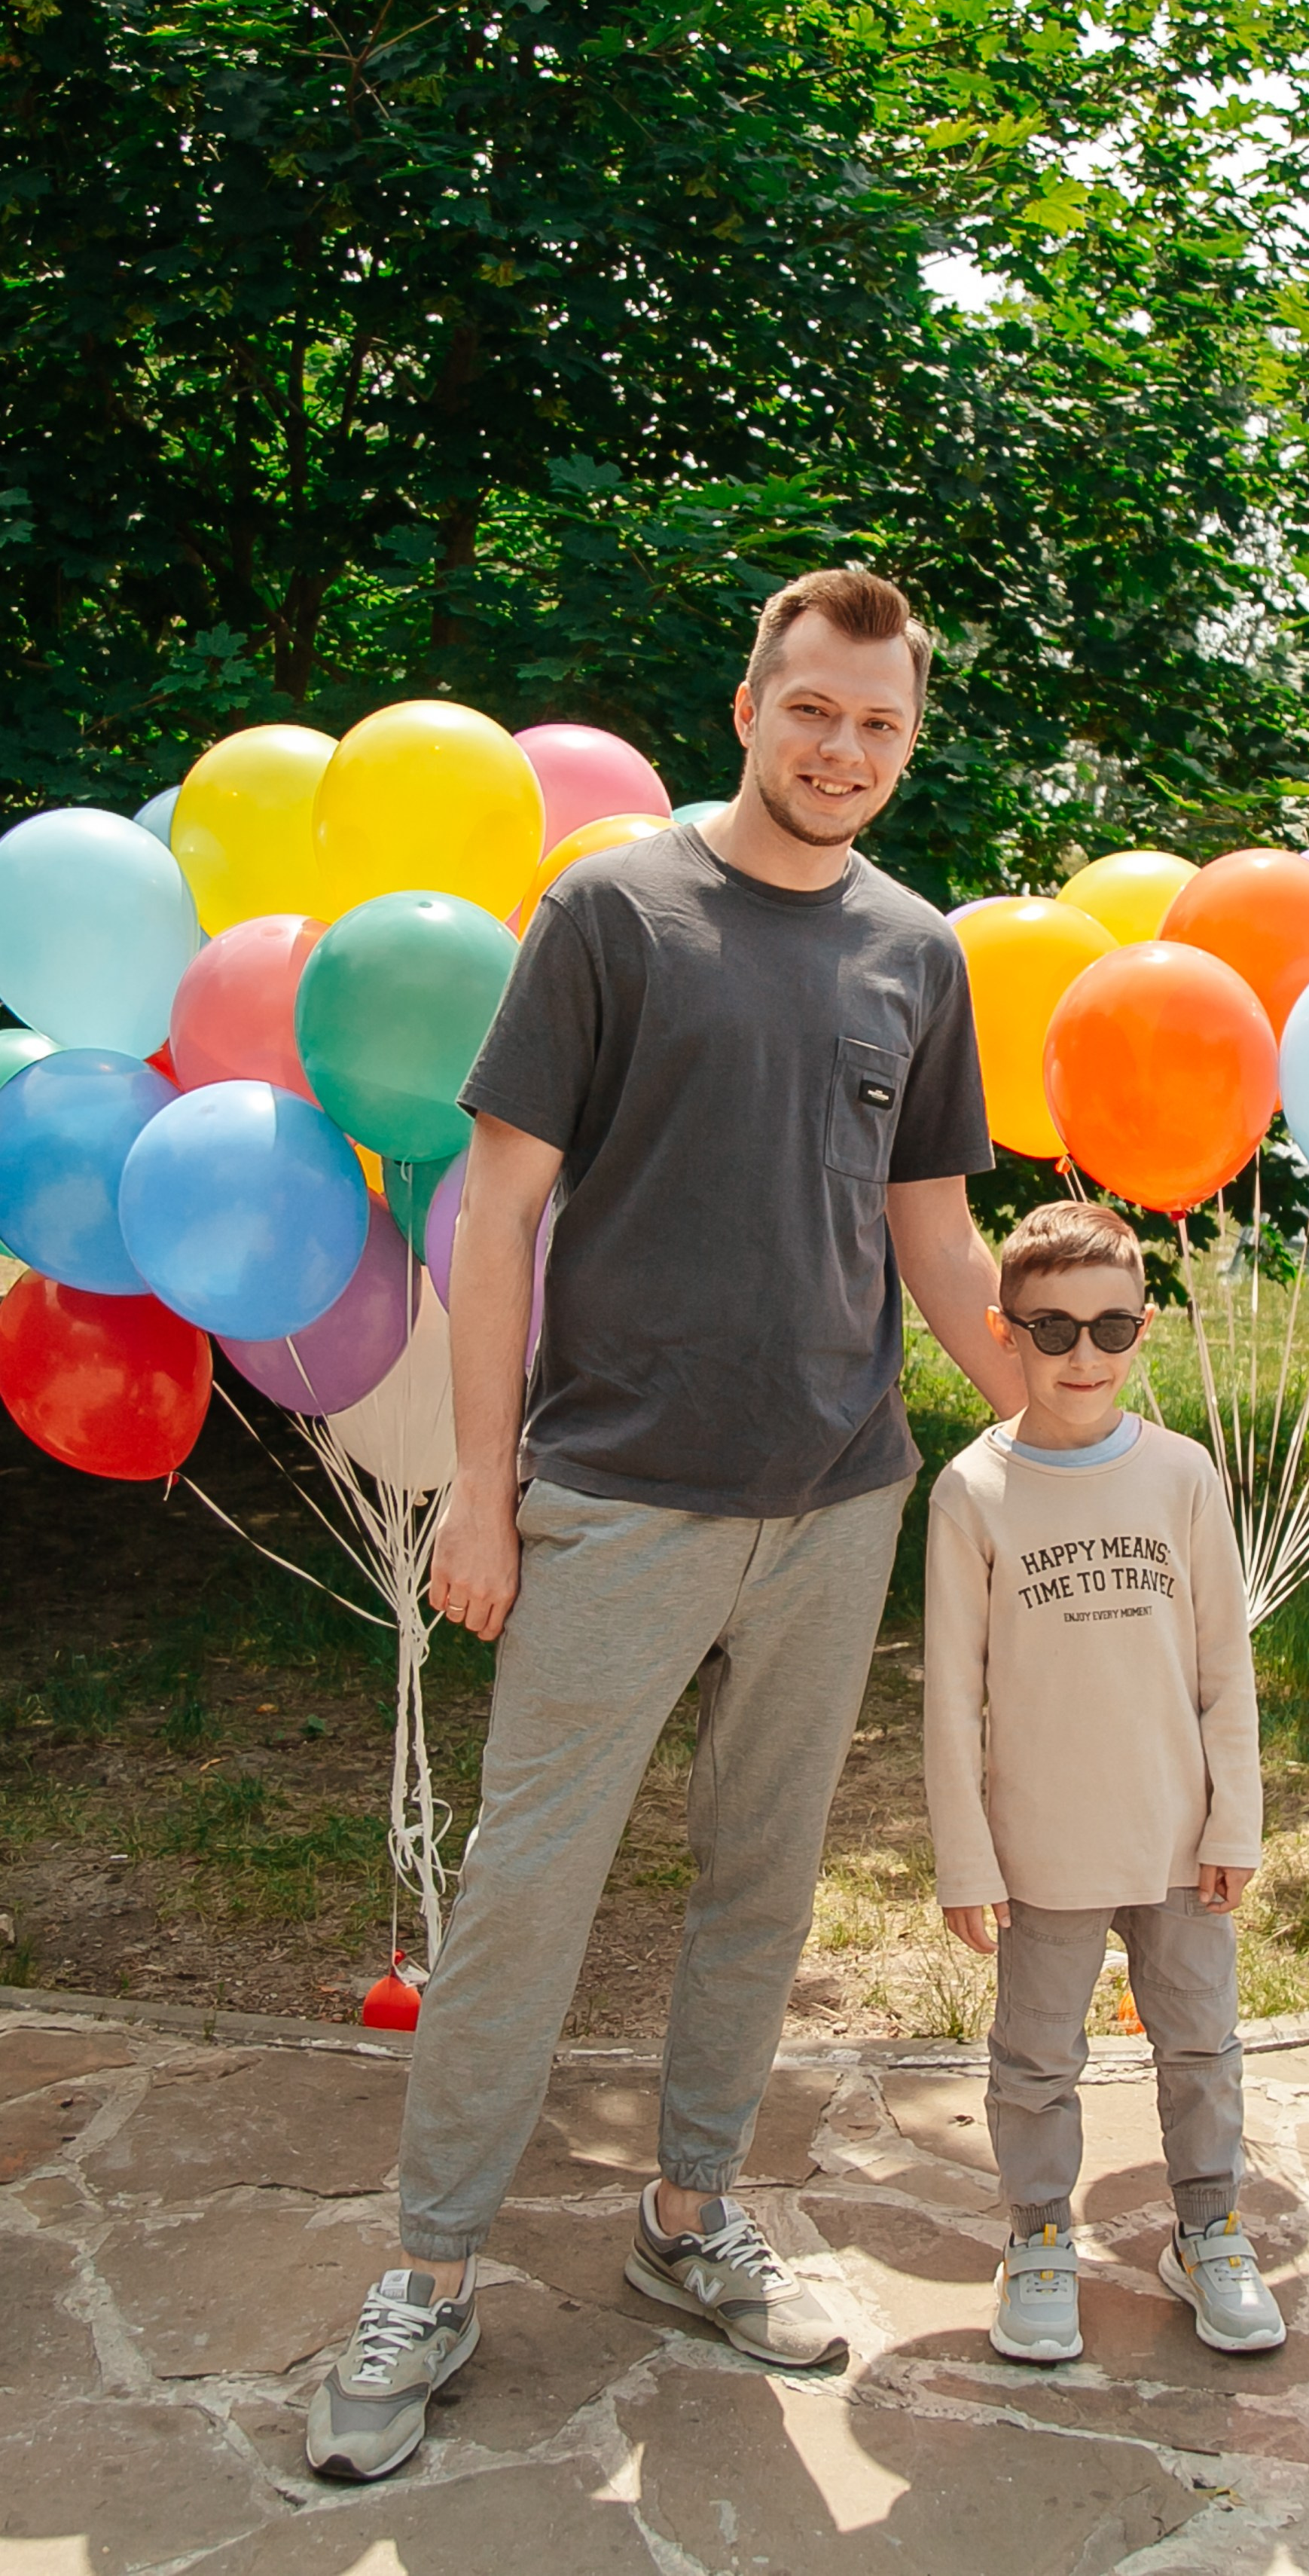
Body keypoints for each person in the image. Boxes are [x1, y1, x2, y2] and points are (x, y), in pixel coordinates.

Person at [307, 568, 1023, 2482]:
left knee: (759, 1881)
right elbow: (504, 1218)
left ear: (907, 739)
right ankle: (431, 2273)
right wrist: (484, 1491)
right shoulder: (614, 911)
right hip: (615, 1500)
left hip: (837, 1494)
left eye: (879, 726)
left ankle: (692, 2216)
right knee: (529, 1886)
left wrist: (1057, 1417)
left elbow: (932, 1234)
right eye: (814, 711)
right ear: (748, 704)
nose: (843, 751)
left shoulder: (916, 952)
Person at [923, 1199, 1284, 2365]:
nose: (1084, 1355)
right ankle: (1036, 2239)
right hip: (1043, 1850)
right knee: (1035, 2058)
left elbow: (1223, 1665)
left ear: (1141, 1332)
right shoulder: (969, 1493)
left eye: (1112, 1327)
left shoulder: (1181, 1477)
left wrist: (1236, 1813)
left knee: (1200, 2045)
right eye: (1053, 1328)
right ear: (1004, 1330)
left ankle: (1209, 2230)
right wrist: (965, 1855)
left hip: (1180, 1841)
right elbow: (947, 1698)